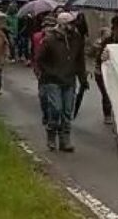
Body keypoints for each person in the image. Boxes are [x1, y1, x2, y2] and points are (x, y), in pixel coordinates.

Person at [37, 12, 88, 152]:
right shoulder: (50, 40)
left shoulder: (77, 39)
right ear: (63, 24)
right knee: (56, 109)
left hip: (69, 80)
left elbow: (80, 61)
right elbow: (40, 59)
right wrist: (50, 72)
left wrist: (83, 79)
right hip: (52, 80)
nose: (73, 26)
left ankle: (65, 140)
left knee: (67, 111)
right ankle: (51, 135)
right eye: (70, 23)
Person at [91, 17, 118, 124]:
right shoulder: (108, 41)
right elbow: (98, 57)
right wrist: (103, 56)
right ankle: (108, 114)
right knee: (107, 94)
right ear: (113, 29)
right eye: (117, 28)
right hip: (107, 73)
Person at [32, 16, 56, 126]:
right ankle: (46, 114)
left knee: (52, 96)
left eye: (51, 26)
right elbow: (34, 53)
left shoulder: (58, 39)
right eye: (47, 26)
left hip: (54, 70)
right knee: (43, 95)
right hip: (41, 70)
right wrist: (35, 68)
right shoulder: (37, 37)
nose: (49, 29)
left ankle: (52, 117)